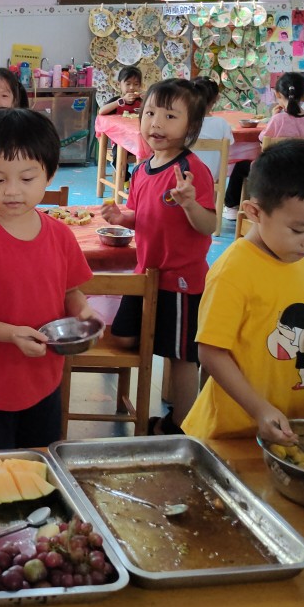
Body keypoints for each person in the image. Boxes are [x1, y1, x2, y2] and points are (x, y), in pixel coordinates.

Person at [181, 140, 304, 443]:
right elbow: (211, 352)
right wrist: (259, 409)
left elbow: (292, 317)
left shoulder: (296, 259)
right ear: (254, 212)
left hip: (290, 416)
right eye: (299, 230)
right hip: (236, 427)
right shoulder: (234, 271)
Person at [0, 108, 98, 450]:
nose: (12, 191)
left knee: (40, 465)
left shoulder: (60, 235)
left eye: (27, 179)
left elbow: (70, 290)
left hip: (45, 381)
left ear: (49, 175)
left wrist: (84, 313)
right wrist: (11, 334)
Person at [101, 79, 217, 435]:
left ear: (191, 125)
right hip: (145, 274)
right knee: (122, 338)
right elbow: (140, 216)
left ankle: (179, 427)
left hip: (179, 280)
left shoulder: (191, 170)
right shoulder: (143, 168)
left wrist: (190, 203)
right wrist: (122, 218)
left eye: (170, 116)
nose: (156, 123)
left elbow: (209, 225)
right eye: (150, 113)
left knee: (180, 357)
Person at [224, 73, 304, 221]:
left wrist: (273, 117)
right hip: (302, 172)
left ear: (278, 94)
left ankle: (231, 206)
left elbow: (263, 141)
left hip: (273, 170)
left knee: (241, 166)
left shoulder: (278, 119)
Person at [192, 76, 234, 182]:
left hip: (184, 177)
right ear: (215, 99)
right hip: (212, 178)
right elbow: (229, 151)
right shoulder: (222, 124)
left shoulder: (182, 122)